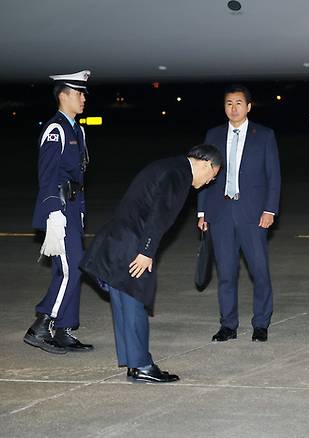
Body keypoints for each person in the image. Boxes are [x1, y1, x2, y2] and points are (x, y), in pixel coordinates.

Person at [79, 145, 221, 383]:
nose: (209, 182)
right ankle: (142, 366)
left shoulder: (166, 165)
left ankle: (133, 362)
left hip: (118, 238)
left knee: (123, 301)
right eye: (212, 176)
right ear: (206, 164)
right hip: (133, 243)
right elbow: (158, 215)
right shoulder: (179, 175)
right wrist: (146, 251)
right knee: (135, 300)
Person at [197, 84, 281, 343]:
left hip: (253, 214)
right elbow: (201, 174)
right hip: (220, 213)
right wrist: (202, 211)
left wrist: (270, 210)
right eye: (228, 104)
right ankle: (228, 325)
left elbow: (273, 176)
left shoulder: (264, 135)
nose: (233, 108)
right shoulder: (213, 135)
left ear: (248, 106)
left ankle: (261, 323)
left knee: (259, 272)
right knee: (226, 273)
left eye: (238, 103)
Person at [24, 70, 95, 354]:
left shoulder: (77, 129)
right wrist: (53, 212)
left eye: (83, 94)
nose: (83, 99)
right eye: (78, 93)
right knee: (71, 269)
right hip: (61, 209)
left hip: (73, 207)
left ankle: (64, 330)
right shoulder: (56, 130)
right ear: (63, 95)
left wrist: (78, 212)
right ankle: (42, 325)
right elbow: (48, 174)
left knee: (69, 268)